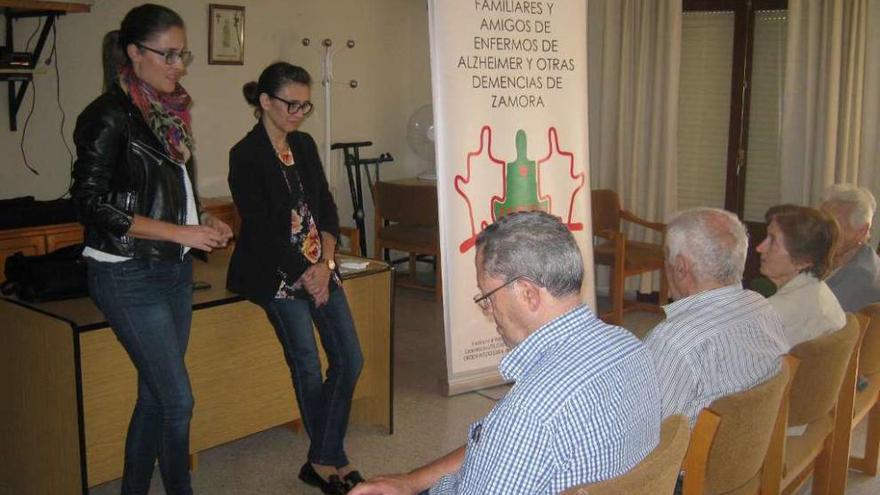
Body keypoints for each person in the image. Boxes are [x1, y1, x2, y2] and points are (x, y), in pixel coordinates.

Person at [351, 211, 661, 495]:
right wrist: (410, 481)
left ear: (528, 293)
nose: (488, 311)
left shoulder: (532, 413)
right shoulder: (631, 348)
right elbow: (497, 446)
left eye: (487, 296)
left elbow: (516, 436)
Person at [70, 4, 232, 494]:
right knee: (178, 400)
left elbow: (170, 186)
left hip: (171, 269)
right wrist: (179, 233)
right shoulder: (106, 116)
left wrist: (199, 218)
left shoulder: (169, 112)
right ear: (134, 53)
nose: (178, 65)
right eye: (167, 55)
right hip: (125, 272)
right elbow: (91, 204)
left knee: (155, 395)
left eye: (183, 55)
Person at [227, 62, 363, 495]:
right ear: (265, 102)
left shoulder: (303, 144)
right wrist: (306, 273)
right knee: (306, 361)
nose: (299, 113)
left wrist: (325, 261)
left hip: (319, 265)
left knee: (350, 358)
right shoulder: (245, 155)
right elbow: (263, 229)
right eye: (292, 104)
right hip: (277, 273)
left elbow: (324, 203)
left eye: (305, 105)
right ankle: (330, 461)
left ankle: (322, 456)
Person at [644, 208, 788, 424]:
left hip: (698, 457)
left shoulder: (672, 342)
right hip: (751, 448)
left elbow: (643, 435)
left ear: (681, 268)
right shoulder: (762, 308)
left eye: (666, 257)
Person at [756, 204, 845, 348]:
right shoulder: (820, 291)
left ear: (803, 260)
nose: (759, 248)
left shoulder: (774, 312)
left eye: (773, 241)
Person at [820, 184, 880, 312]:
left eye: (832, 225)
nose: (820, 231)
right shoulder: (830, 259)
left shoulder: (861, 278)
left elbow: (812, 320)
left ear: (861, 232)